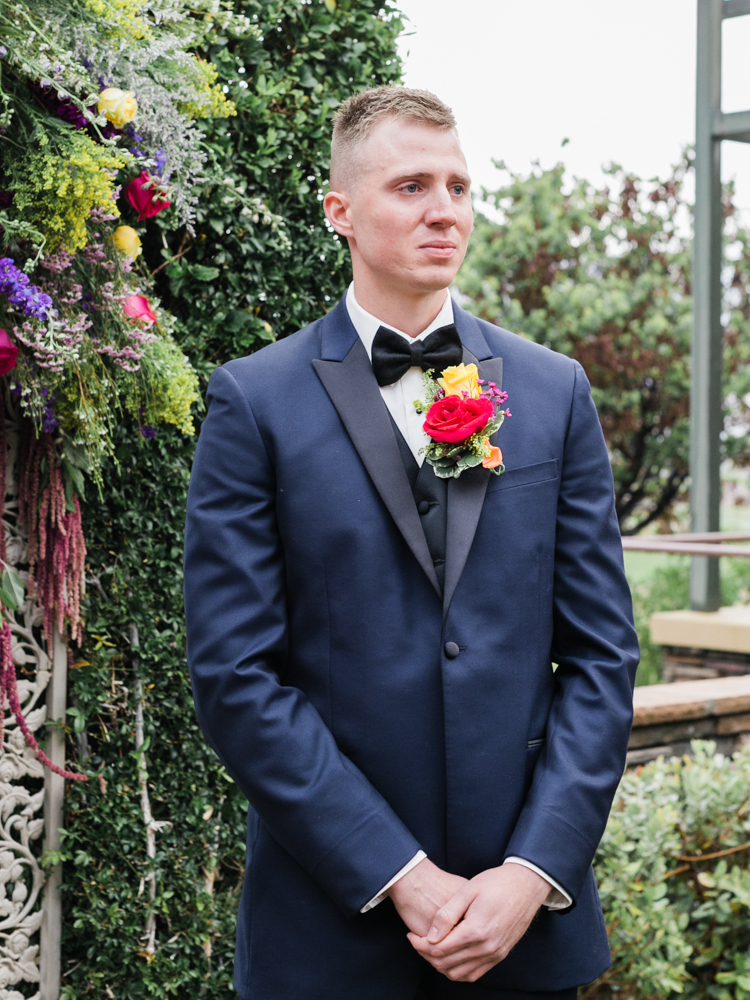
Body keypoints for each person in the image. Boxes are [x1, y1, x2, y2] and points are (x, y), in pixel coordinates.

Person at [183, 86, 639, 1000]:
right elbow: (236, 675)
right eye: (413, 186)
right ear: (339, 212)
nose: (446, 211)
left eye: (461, 187)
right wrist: (403, 877)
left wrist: (531, 875)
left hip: (524, 935)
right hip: (329, 932)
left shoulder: (555, 392)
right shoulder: (252, 403)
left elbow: (601, 656)